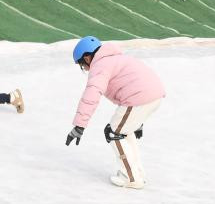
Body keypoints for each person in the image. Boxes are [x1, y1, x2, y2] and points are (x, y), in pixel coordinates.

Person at [65, 36, 165, 189]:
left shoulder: (100, 65)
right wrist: (137, 122)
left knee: (114, 133)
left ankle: (130, 177)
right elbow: (136, 82)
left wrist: (80, 125)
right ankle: (137, 173)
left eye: (82, 65)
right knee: (124, 130)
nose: (85, 69)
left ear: (87, 57)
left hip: (138, 98)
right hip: (153, 95)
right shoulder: (117, 58)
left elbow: (92, 94)